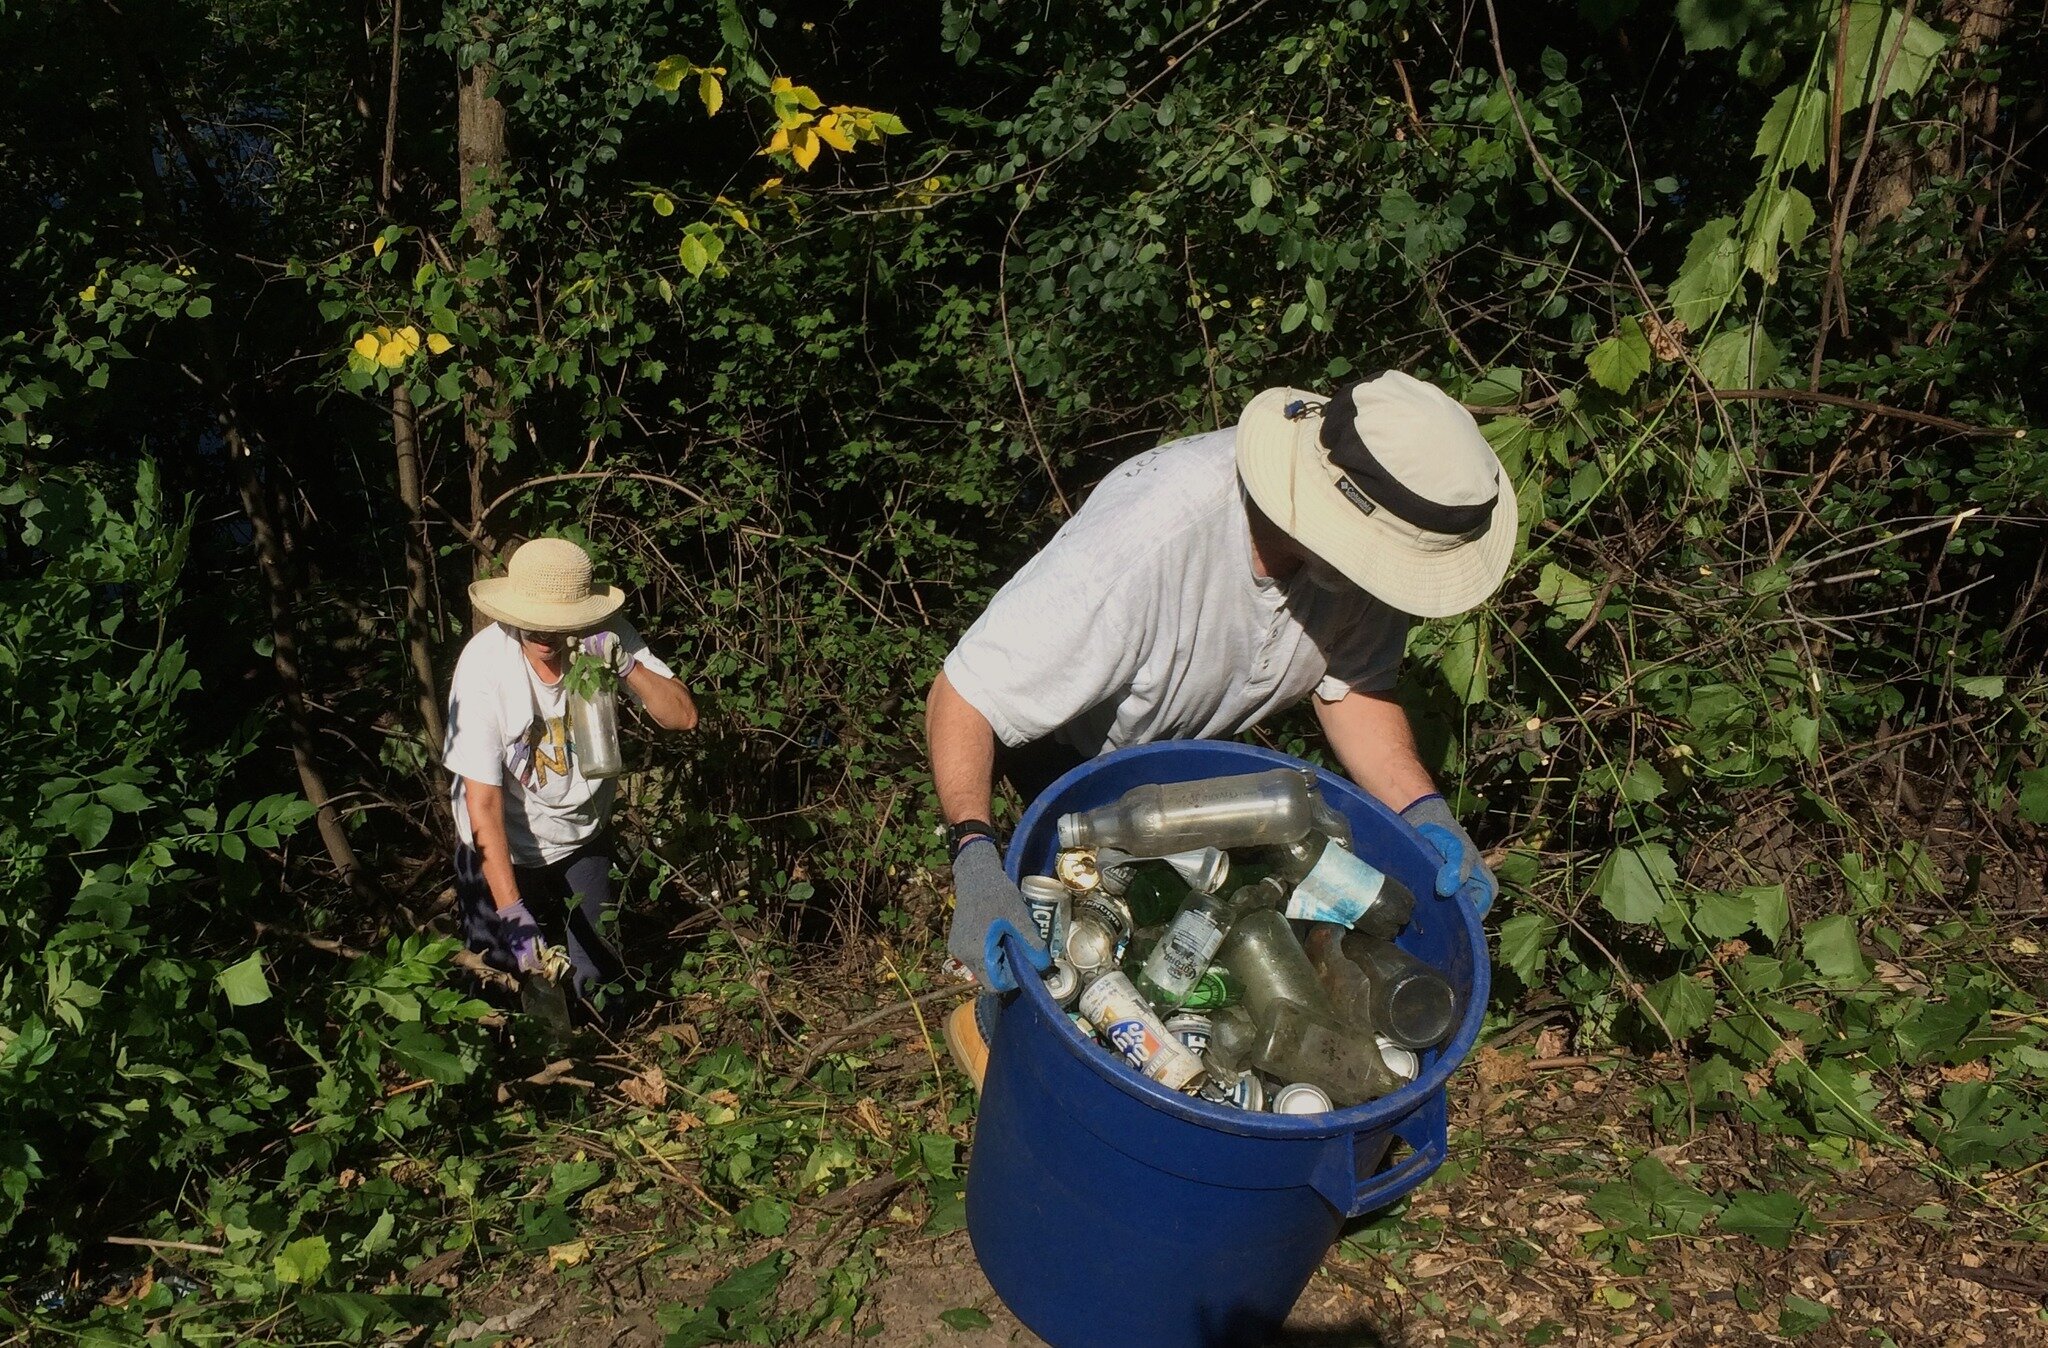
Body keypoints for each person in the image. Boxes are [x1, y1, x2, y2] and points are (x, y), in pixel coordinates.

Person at [928, 370, 1515, 1084]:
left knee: (1193, 956)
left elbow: (1354, 686)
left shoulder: (1364, 547)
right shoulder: (1148, 540)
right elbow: (966, 695)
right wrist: (976, 857)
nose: (1386, 584)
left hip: (1184, 770)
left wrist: (1425, 809)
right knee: (1075, 955)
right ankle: (1005, 1044)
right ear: (1332, 515)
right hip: (1071, 760)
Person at [443, 536, 698, 1021]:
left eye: (558, 625)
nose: (545, 636)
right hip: (501, 844)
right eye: (533, 623)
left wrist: (626, 665)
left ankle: (604, 1076)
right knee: (499, 980)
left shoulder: (606, 637)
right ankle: (516, 1084)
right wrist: (513, 912)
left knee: (598, 973)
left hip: (582, 832)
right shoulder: (484, 667)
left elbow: (683, 716)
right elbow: (484, 806)